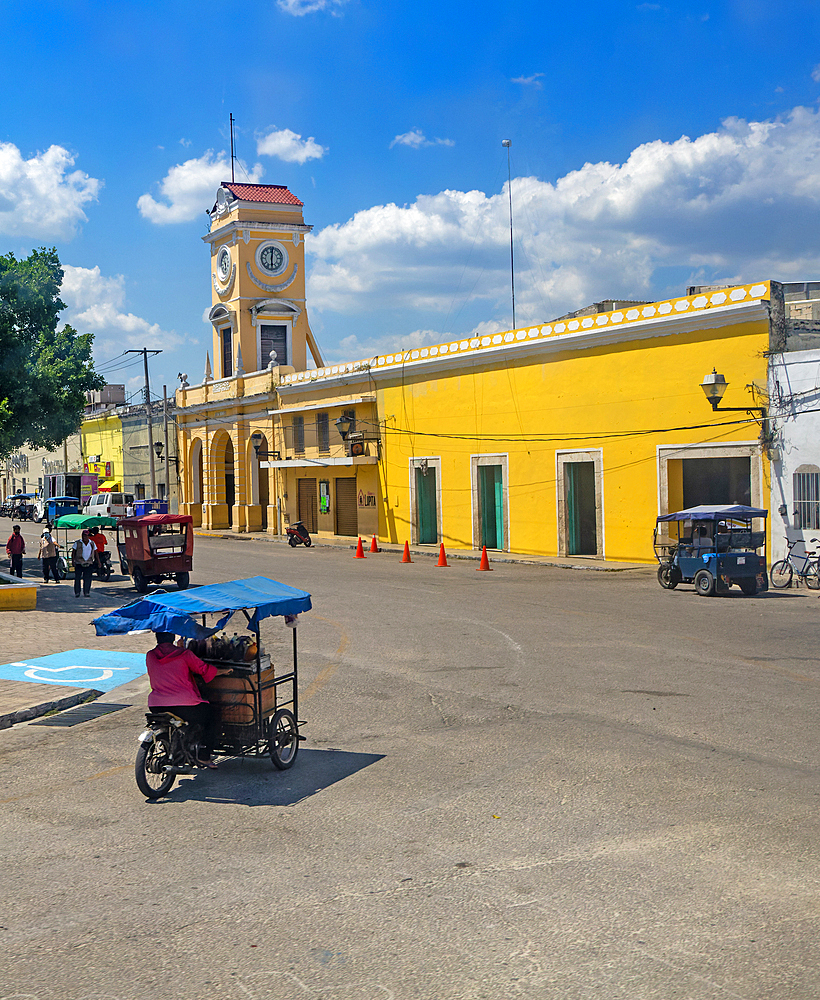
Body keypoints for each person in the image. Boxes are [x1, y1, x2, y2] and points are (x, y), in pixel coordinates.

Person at [145, 632, 232, 767]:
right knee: (211, 715)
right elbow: (203, 669)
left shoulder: (150, 655)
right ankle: (204, 755)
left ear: (157, 638)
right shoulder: (184, 654)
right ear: (172, 637)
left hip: (156, 704)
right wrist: (223, 671)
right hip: (184, 704)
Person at [71, 529, 98, 598]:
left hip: (88, 562)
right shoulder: (77, 543)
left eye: (86, 536)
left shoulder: (92, 543)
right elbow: (73, 552)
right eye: (83, 535)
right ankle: (77, 592)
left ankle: (86, 592)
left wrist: (98, 561)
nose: (85, 537)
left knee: (88, 578)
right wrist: (73, 561)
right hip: (79, 562)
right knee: (77, 578)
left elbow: (95, 552)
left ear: (88, 536)